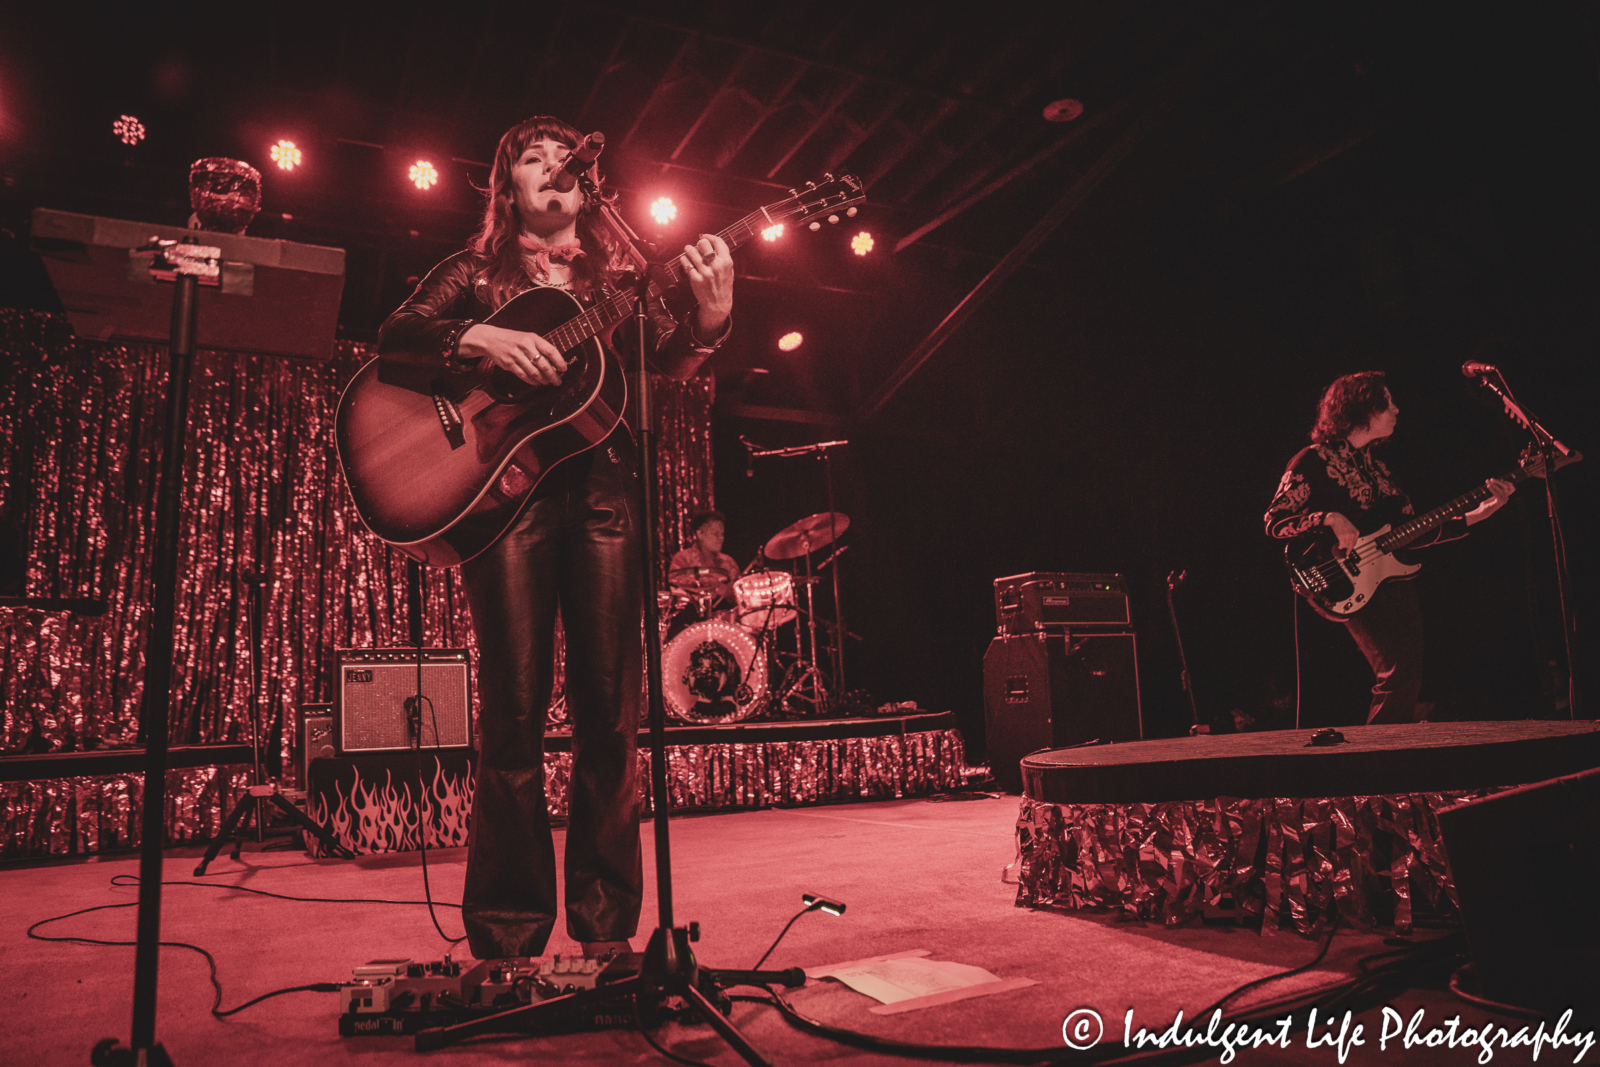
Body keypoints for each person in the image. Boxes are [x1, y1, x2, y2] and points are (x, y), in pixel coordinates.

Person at [377, 115, 733, 961]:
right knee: (514, 713)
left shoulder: (627, 280)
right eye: (531, 160)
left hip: (606, 496)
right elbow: (395, 339)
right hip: (506, 503)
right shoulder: (472, 271)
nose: (552, 170)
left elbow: (666, 368)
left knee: (611, 714)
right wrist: (480, 333)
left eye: (563, 161)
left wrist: (712, 320)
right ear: (508, 189)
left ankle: (608, 928)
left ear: (587, 187)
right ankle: (506, 930)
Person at [1264, 371, 1514, 725]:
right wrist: (1327, 517)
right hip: (1339, 575)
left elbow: (1413, 533)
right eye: (1387, 403)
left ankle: (1383, 757)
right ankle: (1378, 763)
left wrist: (1479, 514)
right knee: (1397, 671)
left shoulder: (1381, 471)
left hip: (1390, 575)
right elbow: (1274, 521)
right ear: (1360, 409)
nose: (1396, 410)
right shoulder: (1312, 460)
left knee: (1408, 672)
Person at [668, 510, 740, 610]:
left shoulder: (728, 562)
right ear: (700, 534)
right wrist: (715, 588)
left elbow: (739, 595)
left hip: (722, 617)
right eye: (716, 534)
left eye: (722, 534)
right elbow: (675, 587)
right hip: (691, 613)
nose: (721, 538)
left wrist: (729, 593)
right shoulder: (682, 559)